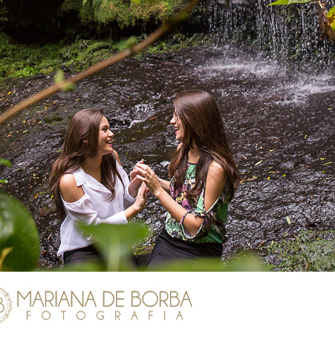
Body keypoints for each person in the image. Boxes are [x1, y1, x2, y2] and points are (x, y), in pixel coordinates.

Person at [132, 90, 240, 266]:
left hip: (200, 249)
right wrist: (153, 180)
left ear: (194, 120)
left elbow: (197, 227)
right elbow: (183, 191)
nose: (171, 121)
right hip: (170, 238)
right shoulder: (183, 150)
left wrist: (158, 192)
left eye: (177, 116)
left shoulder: (215, 169)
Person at [48, 109, 148, 265]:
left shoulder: (111, 157)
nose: (112, 133)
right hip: (84, 250)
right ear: (86, 138)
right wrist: (136, 208)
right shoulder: (70, 180)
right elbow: (93, 231)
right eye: (104, 129)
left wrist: (134, 185)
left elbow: (121, 204)